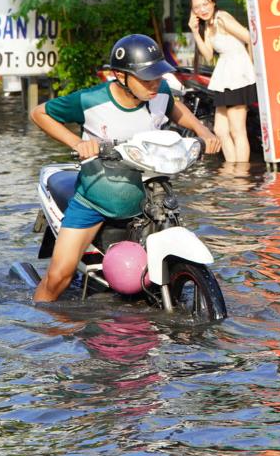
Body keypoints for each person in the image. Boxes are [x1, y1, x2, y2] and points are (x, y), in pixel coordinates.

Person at [30, 34, 221, 302]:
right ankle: (40, 328)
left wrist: (202, 130)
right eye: (146, 78)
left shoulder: (159, 92)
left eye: (158, 76)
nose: (154, 84)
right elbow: (40, 113)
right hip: (95, 201)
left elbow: (173, 107)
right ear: (120, 76)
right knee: (59, 276)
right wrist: (77, 142)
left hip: (146, 198)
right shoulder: (90, 100)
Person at [188, 0, 257, 163]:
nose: (202, 9)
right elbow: (208, 55)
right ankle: (232, 169)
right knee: (220, 130)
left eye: (205, 4)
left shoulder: (221, 18)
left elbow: (249, 37)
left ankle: (240, 176)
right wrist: (195, 31)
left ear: (213, 2)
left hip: (237, 75)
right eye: (197, 7)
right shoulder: (208, 26)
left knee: (237, 130)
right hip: (225, 76)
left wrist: (249, 68)